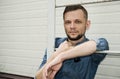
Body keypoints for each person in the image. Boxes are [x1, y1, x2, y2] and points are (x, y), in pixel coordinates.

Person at [35, 4, 109, 79]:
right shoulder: (55, 44)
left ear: (87, 24)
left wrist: (61, 56)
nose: (72, 26)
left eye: (77, 22)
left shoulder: (91, 49)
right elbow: (37, 77)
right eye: (68, 22)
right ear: (64, 24)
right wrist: (55, 54)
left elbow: (103, 44)